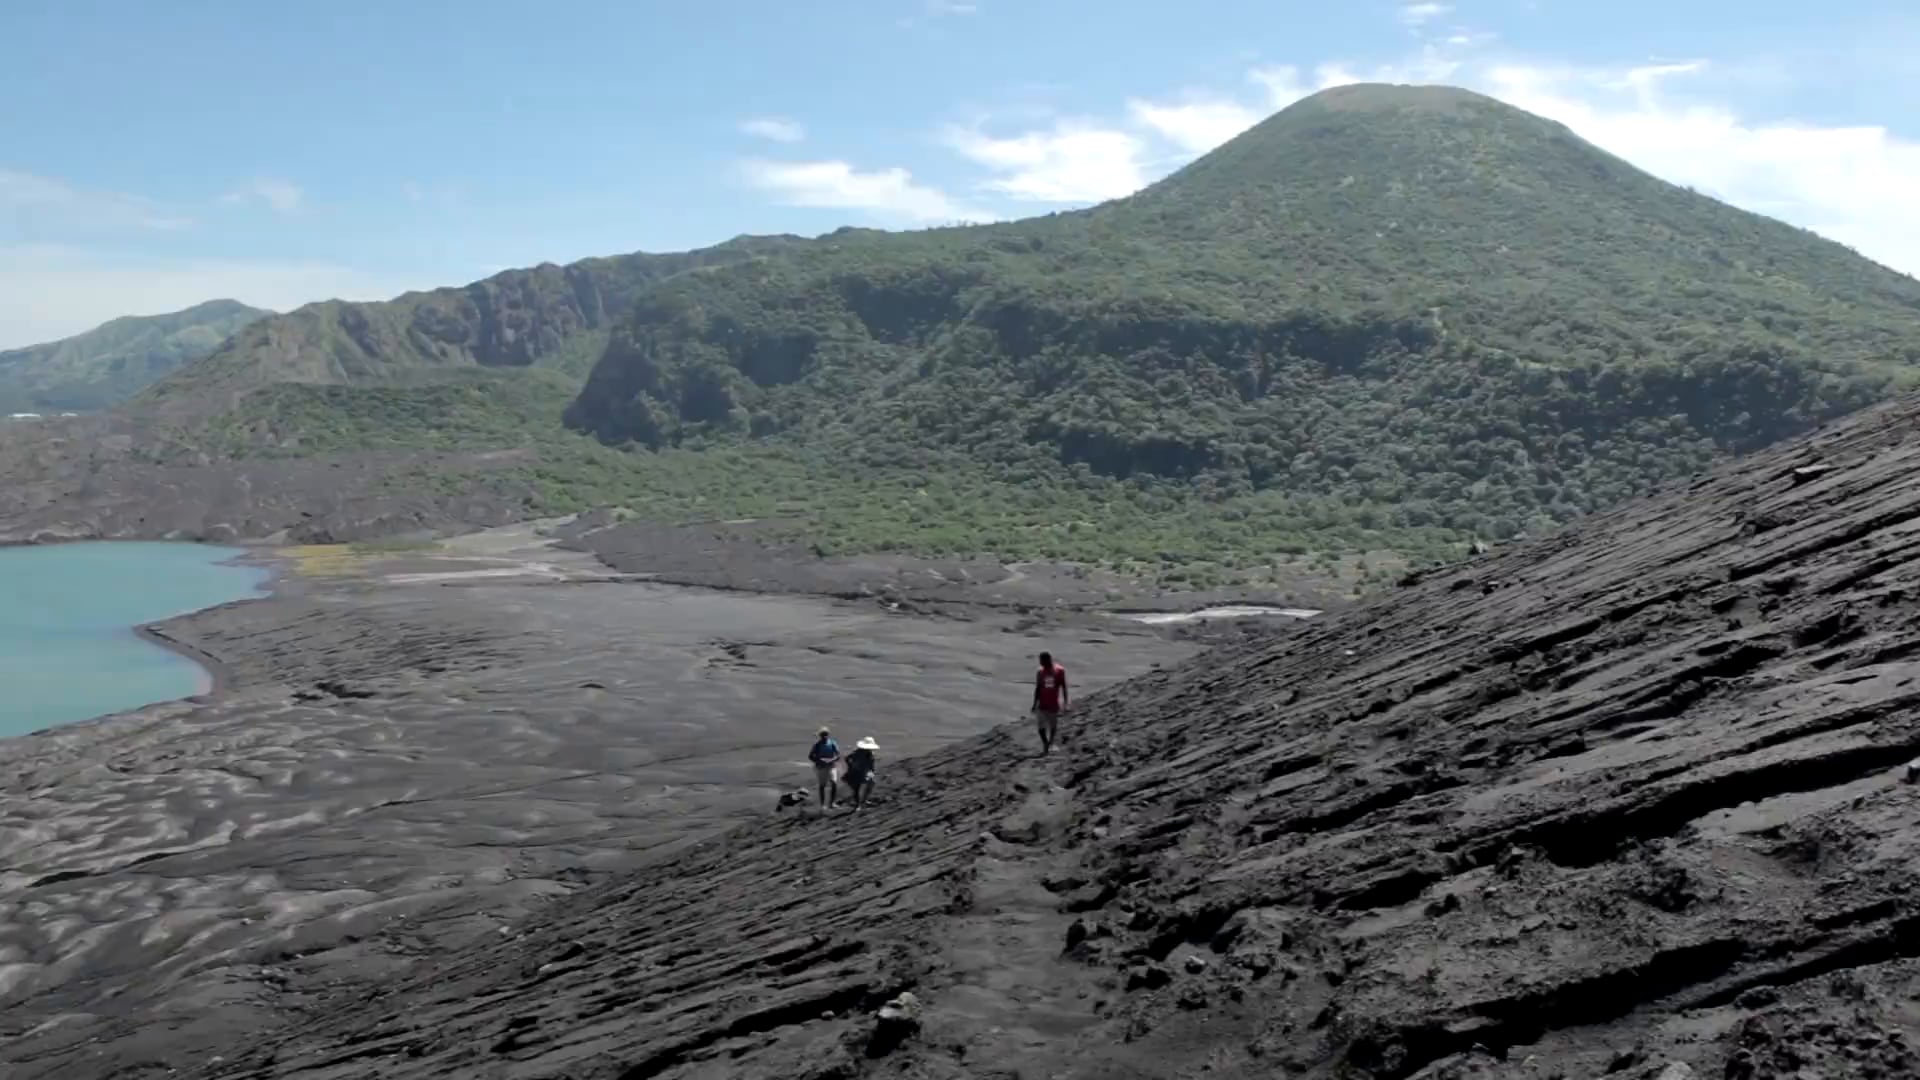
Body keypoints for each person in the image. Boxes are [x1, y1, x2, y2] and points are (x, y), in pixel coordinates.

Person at [1031, 650, 1069, 754]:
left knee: (1053, 726)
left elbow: (1064, 687)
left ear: (1048, 660)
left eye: (1041, 660)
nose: (1040, 663)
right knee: (1040, 728)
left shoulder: (1059, 671)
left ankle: (1051, 742)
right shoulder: (1040, 672)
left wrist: (1065, 703)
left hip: (1053, 704)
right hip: (1042, 704)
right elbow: (1038, 688)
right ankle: (1045, 743)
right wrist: (1034, 704)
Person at [808, 726, 841, 812]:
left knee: (834, 783)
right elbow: (811, 756)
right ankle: (823, 805)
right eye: (823, 735)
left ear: (828, 735)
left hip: (831, 766)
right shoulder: (817, 745)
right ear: (820, 736)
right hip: (821, 767)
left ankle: (832, 803)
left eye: (826, 734)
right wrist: (819, 761)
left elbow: (838, 755)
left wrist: (831, 760)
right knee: (822, 786)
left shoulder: (833, 743)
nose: (824, 736)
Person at [845, 736, 879, 811]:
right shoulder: (858, 752)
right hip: (857, 772)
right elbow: (847, 758)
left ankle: (864, 800)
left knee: (871, 783)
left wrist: (871, 771)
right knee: (856, 788)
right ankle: (858, 805)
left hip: (865, 772)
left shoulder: (870, 753)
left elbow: (871, 763)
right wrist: (851, 766)